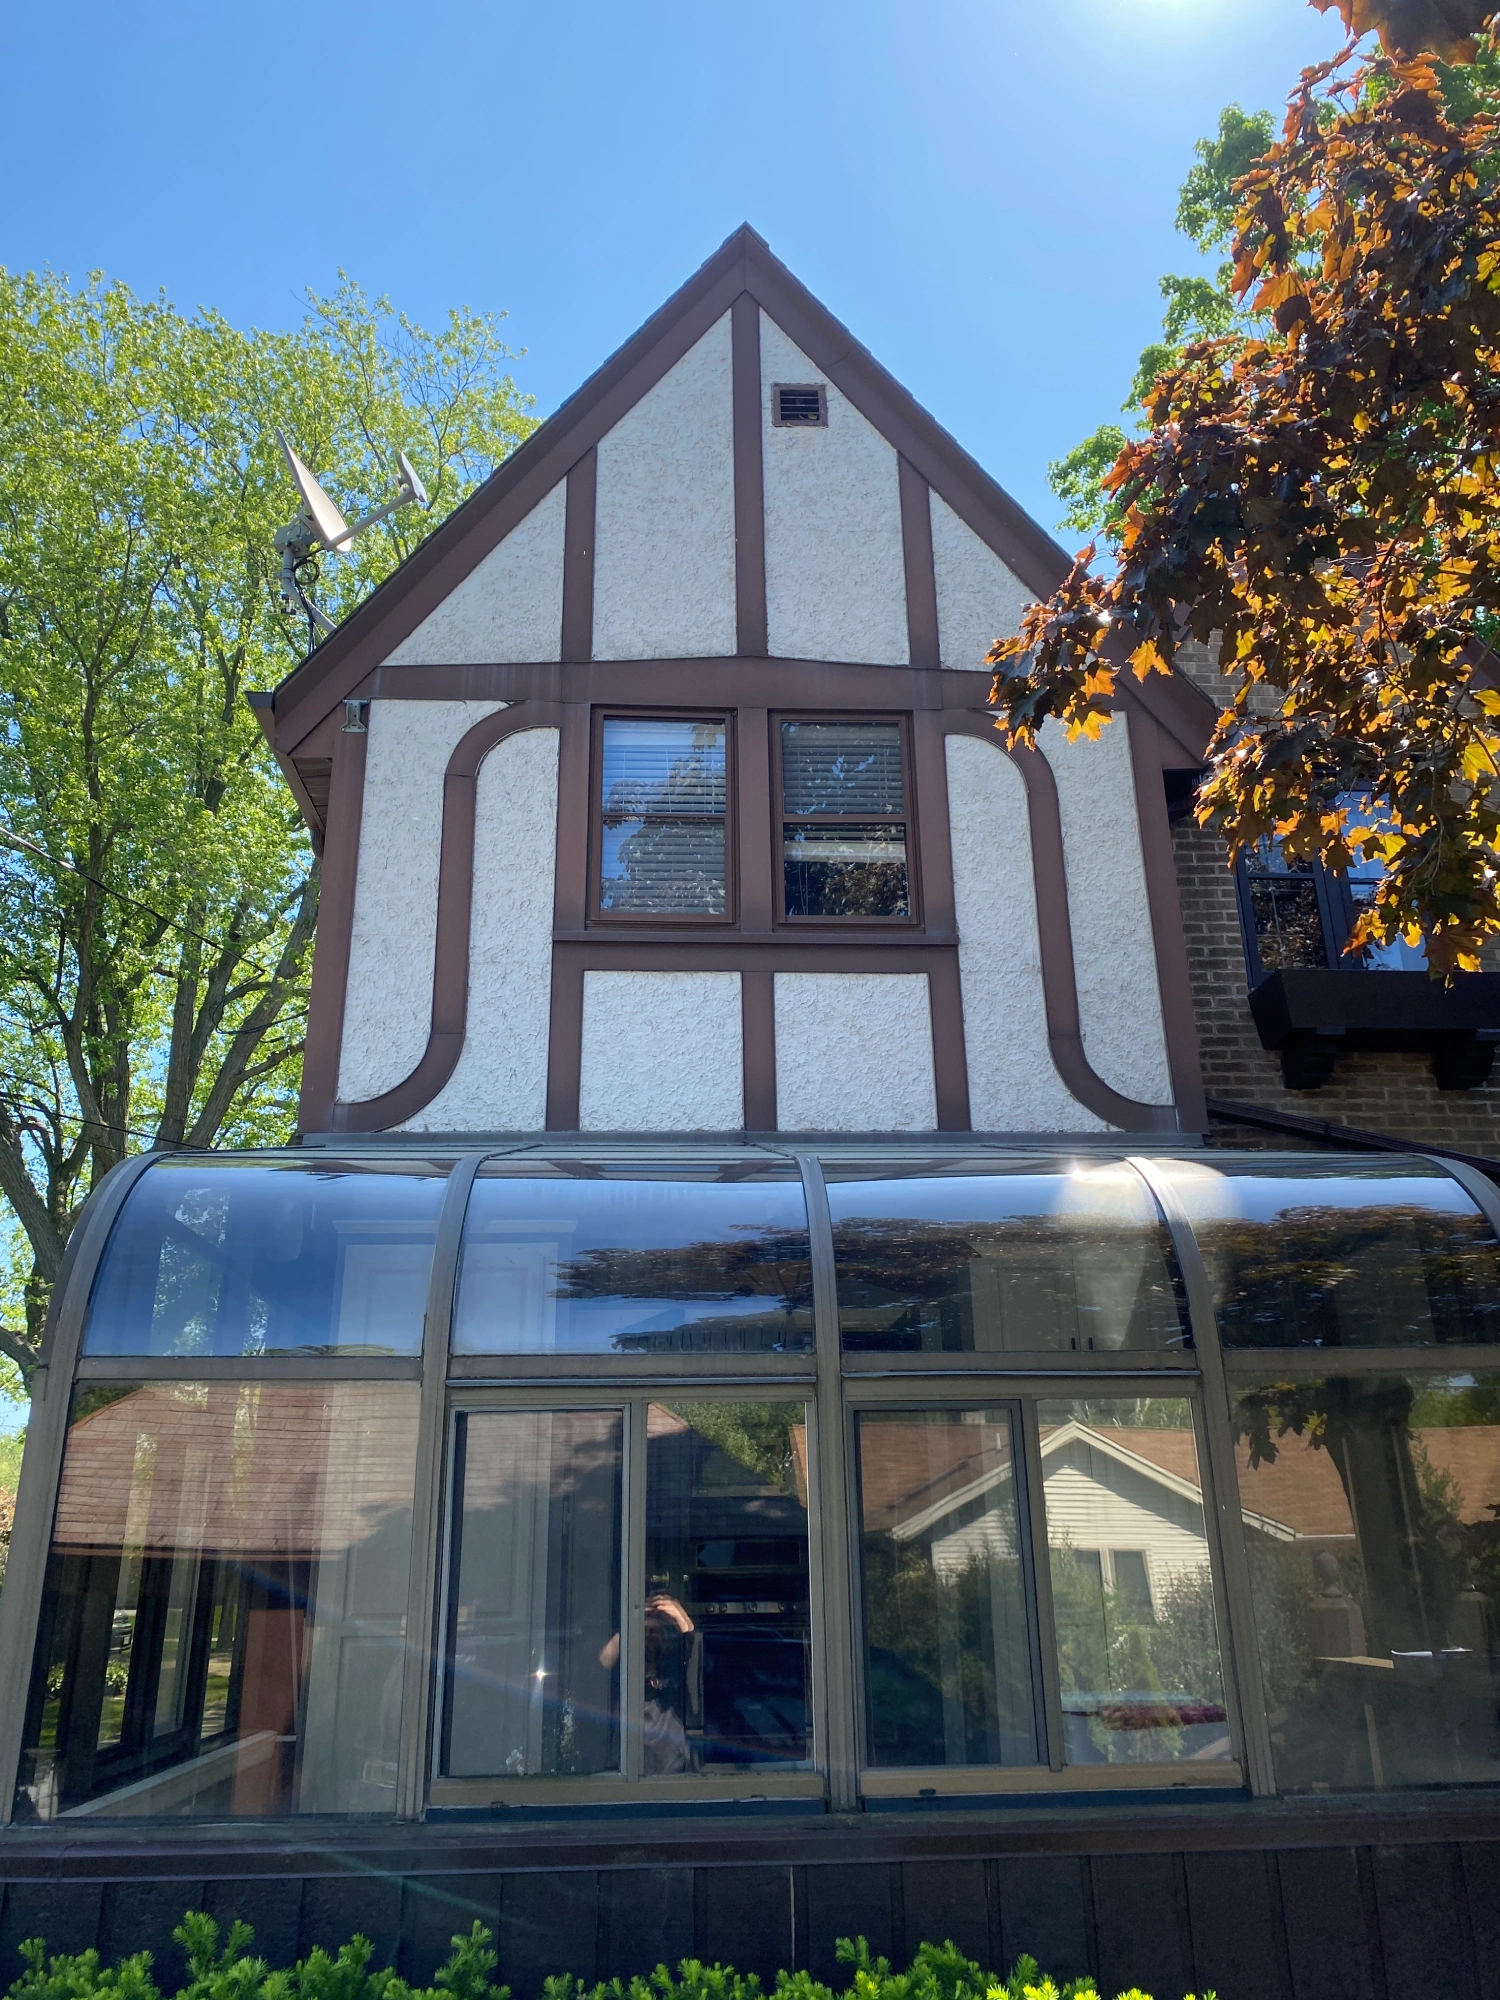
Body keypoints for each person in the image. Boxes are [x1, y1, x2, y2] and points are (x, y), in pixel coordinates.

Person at [599, 1592, 697, 1774]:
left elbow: (692, 1645)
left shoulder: (675, 1671)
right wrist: (631, 1619)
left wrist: (678, 1614)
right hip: (628, 1773)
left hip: (673, 1772)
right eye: (644, 1630)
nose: (650, 1635)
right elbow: (604, 1662)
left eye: (655, 1631)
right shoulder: (622, 1674)